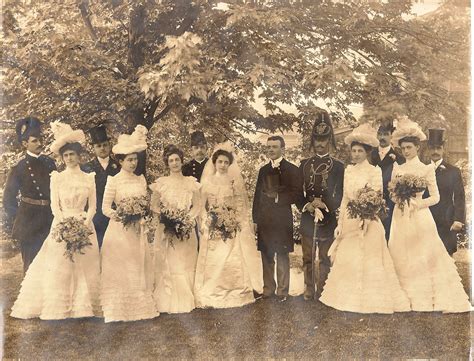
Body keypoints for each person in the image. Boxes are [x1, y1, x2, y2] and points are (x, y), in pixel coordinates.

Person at [11, 122, 100, 319]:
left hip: (84, 225)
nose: (69, 158)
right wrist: (64, 226)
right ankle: (61, 307)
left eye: (72, 155)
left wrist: (84, 226)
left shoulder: (89, 178)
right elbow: (54, 206)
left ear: (79, 156)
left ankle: (83, 308)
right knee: (61, 266)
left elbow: (93, 206)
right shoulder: (57, 177)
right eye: (65, 155)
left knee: (85, 264)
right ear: (62, 158)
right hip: (61, 224)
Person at [319, 123, 410, 314]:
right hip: (350, 219)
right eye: (353, 151)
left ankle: (371, 298)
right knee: (349, 258)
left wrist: (367, 217)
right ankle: (346, 296)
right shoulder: (349, 171)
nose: (356, 154)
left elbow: (377, 197)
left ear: (367, 152)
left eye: (360, 151)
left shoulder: (374, 171)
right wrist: (340, 223)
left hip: (369, 220)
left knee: (370, 259)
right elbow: (345, 198)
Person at [388, 116, 470, 313]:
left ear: (417, 148)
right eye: (403, 148)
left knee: (421, 255)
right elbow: (391, 194)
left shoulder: (425, 169)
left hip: (419, 216)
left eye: (409, 147)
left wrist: (416, 204)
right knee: (400, 252)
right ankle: (401, 296)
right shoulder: (397, 168)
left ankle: (422, 296)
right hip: (400, 218)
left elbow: (435, 197)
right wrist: (399, 200)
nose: (406, 151)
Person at [100, 125, 159, 322]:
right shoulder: (113, 181)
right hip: (119, 230)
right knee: (121, 267)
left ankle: (139, 306)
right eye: (129, 160)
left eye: (135, 159)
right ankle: (119, 308)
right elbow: (106, 209)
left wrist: (141, 215)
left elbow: (145, 206)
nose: (133, 163)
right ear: (121, 161)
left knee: (137, 264)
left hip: (137, 230)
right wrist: (123, 215)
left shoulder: (141, 180)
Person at [194, 142, 263, 308]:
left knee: (231, 258)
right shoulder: (207, 183)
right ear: (215, 163)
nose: (223, 165)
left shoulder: (233, 182)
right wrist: (207, 221)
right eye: (220, 162)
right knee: (214, 259)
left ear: (229, 164)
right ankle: (212, 291)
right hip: (212, 227)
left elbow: (240, 204)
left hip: (230, 227)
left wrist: (235, 220)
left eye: (226, 162)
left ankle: (234, 290)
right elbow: (201, 207)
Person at [296, 111, 344, 300]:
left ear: (330, 140)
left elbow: (340, 193)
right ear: (313, 140)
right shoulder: (304, 165)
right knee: (308, 258)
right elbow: (296, 192)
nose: (320, 143)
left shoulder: (339, 166)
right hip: (308, 217)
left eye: (324, 139)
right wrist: (307, 204)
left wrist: (325, 204)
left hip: (328, 217)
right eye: (317, 139)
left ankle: (323, 290)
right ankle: (309, 289)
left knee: (324, 258)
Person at [150, 145, 201, 313]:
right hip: (167, 229)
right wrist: (168, 217)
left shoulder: (191, 183)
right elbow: (154, 206)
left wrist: (186, 220)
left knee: (185, 260)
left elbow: (197, 206)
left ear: (181, 161)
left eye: (177, 160)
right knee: (169, 261)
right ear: (167, 163)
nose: (174, 163)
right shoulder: (161, 183)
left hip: (185, 228)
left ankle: (187, 297)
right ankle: (168, 298)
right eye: (171, 160)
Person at [3, 117, 57, 273]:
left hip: (49, 219)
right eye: (35, 141)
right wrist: (21, 218)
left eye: (40, 139)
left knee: (52, 267)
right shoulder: (19, 168)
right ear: (25, 144)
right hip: (29, 224)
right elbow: (8, 200)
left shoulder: (49, 163)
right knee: (31, 268)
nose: (39, 143)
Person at [252, 136, 300, 301]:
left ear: (282, 149)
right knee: (266, 253)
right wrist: (255, 219)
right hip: (265, 218)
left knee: (282, 253)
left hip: (281, 218)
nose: (271, 150)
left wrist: (279, 197)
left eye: (274, 147)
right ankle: (268, 289)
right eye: (269, 147)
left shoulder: (292, 169)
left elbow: (296, 194)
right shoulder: (263, 170)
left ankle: (282, 291)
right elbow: (257, 196)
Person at [426, 128, 465, 256]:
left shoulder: (453, 171)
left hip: (446, 221)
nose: (435, 151)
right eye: (432, 148)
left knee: (445, 258)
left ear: (443, 149)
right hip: (426, 219)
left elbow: (459, 197)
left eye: (438, 148)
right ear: (428, 149)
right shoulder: (422, 169)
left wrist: (458, 219)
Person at [81, 125, 120, 248]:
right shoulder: (86, 168)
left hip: (113, 216)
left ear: (109, 145)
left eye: (104, 145)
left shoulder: (118, 167)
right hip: (94, 216)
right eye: (98, 146)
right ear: (93, 148)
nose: (102, 148)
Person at [369, 117, 405, 240]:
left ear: (391, 136)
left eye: (386, 134)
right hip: (370, 201)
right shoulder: (369, 155)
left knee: (388, 233)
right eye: (380, 134)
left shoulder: (399, 158)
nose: (382, 137)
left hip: (390, 202)